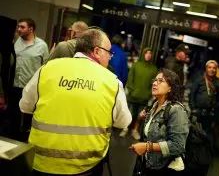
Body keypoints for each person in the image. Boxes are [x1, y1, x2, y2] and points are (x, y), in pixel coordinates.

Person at [19, 29, 132, 175]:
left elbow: (25, 106)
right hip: (85, 166)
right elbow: (123, 122)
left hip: (40, 162)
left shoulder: (47, 69)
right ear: (97, 51)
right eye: (109, 52)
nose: (110, 57)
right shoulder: (112, 82)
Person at [130, 69, 189, 176]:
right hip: (151, 165)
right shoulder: (154, 105)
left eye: (160, 81)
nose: (154, 83)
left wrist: (147, 147)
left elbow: (178, 146)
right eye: (154, 80)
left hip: (166, 168)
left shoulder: (176, 110)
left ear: (170, 87)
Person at [11, 18, 49, 140]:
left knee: (28, 119)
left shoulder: (42, 46)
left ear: (31, 29)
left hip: (31, 88)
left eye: (22, 27)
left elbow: (46, 67)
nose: (19, 29)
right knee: (13, 117)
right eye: (18, 27)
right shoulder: (16, 42)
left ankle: (25, 142)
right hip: (15, 86)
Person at [119, 48, 158, 139]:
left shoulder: (154, 69)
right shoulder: (136, 65)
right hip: (132, 95)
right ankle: (125, 128)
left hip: (144, 97)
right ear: (143, 54)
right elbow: (130, 78)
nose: (148, 55)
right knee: (129, 113)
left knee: (139, 116)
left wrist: (149, 94)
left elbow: (153, 83)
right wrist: (131, 90)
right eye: (146, 53)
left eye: (150, 53)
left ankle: (135, 130)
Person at [189, 60, 219, 155]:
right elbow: (192, 95)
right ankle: (192, 153)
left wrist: (214, 111)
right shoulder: (199, 80)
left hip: (209, 113)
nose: (211, 69)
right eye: (209, 67)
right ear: (206, 68)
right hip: (198, 112)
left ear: (216, 70)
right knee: (195, 132)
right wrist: (193, 109)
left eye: (214, 68)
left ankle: (202, 154)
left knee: (206, 133)